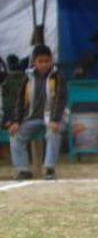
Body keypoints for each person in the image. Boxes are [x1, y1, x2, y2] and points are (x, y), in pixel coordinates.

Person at [10, 45, 65, 180]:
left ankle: (49, 168)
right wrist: (16, 121)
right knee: (16, 134)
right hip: (31, 118)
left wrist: (55, 120)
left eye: (47, 61)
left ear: (51, 61)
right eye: (40, 61)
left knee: (53, 132)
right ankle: (23, 169)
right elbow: (20, 101)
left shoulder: (57, 76)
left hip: (52, 118)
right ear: (34, 62)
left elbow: (60, 98)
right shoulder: (27, 78)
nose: (44, 64)